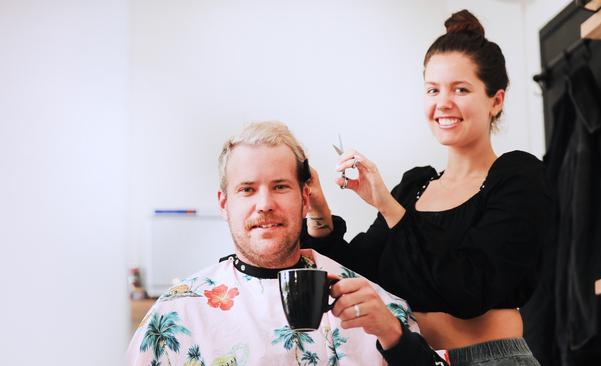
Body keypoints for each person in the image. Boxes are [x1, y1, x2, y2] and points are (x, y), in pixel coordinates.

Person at [302, 10, 552, 366]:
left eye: (460, 89)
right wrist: (318, 211)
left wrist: (388, 206)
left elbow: (468, 291)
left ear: (496, 100)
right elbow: (361, 273)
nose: (443, 103)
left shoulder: (519, 179)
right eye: (433, 89)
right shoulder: (415, 186)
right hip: (414, 358)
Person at [126, 121, 448, 366]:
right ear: (224, 204)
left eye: (280, 186)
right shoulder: (176, 315)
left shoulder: (374, 308)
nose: (264, 204)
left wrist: (393, 336)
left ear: (306, 198)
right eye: (248, 189)